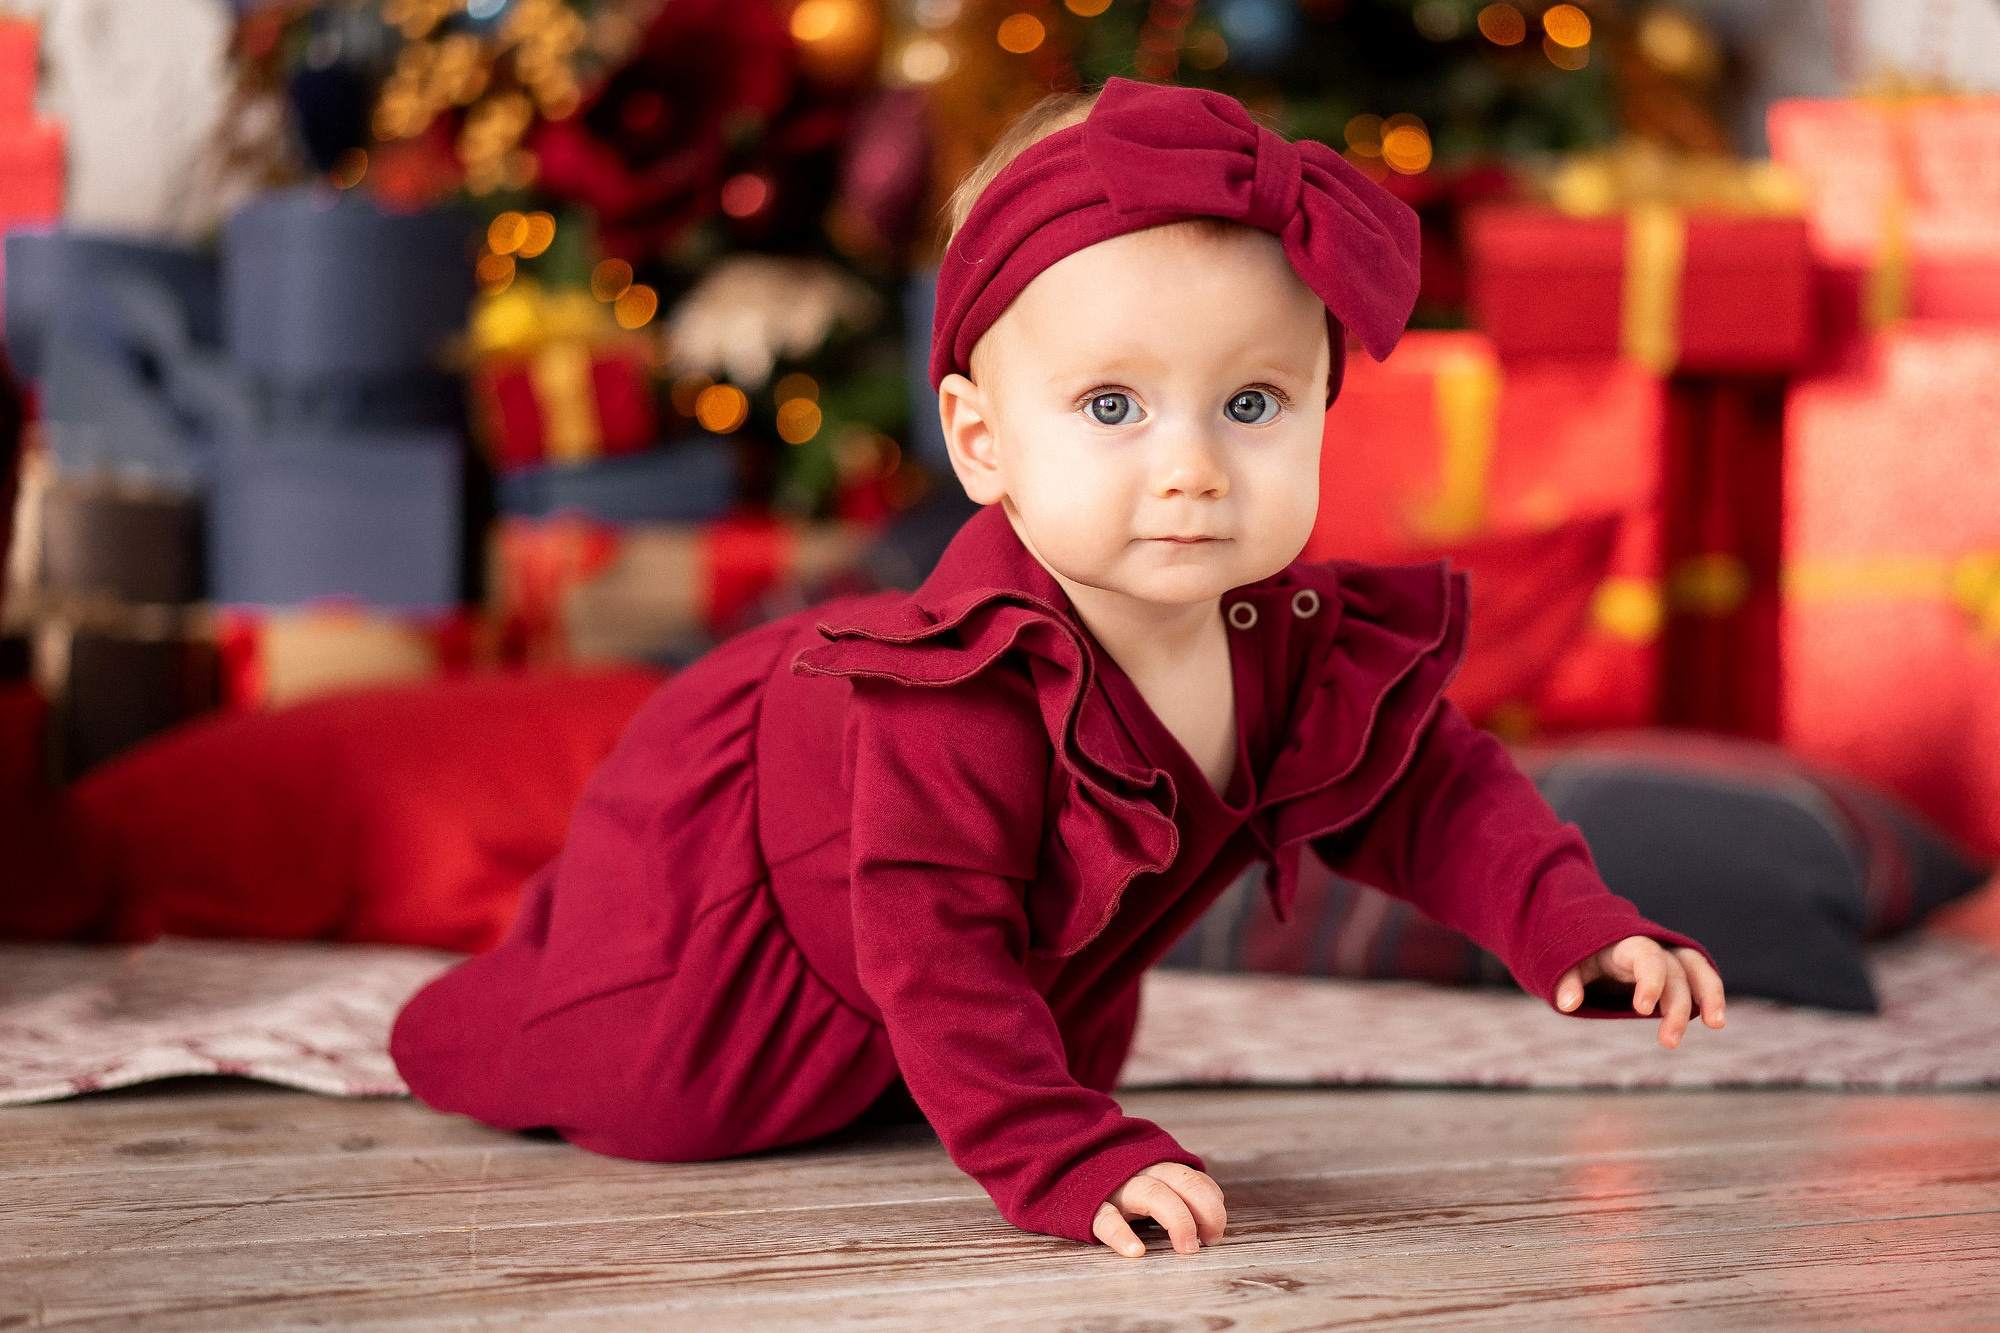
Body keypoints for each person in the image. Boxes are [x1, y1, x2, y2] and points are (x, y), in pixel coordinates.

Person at [392, 77, 1726, 1259]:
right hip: (759, 921)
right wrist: (1062, 1154)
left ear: (1325, 399)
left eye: (1251, 403)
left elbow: (1436, 792)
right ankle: (469, 1010)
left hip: (1014, 994)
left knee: (1014, 1052)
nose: (1193, 464)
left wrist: (1576, 923)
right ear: (980, 440)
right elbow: (932, 941)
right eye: (1111, 406)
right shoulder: (964, 694)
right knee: (648, 1089)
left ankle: (979, 1090)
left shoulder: (1292, 640)